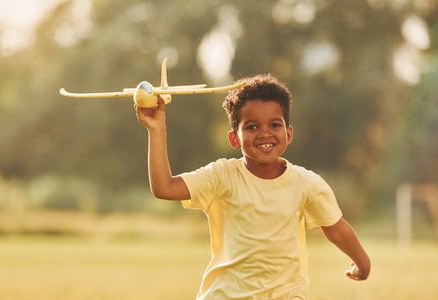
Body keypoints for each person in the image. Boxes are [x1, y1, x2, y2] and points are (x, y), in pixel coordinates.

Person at [134, 73, 370, 299]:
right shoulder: (222, 175)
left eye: (275, 125)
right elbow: (164, 187)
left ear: (288, 134)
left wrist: (362, 263)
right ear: (234, 138)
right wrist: (157, 130)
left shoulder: (307, 183)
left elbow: (337, 229)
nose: (264, 134)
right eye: (252, 127)